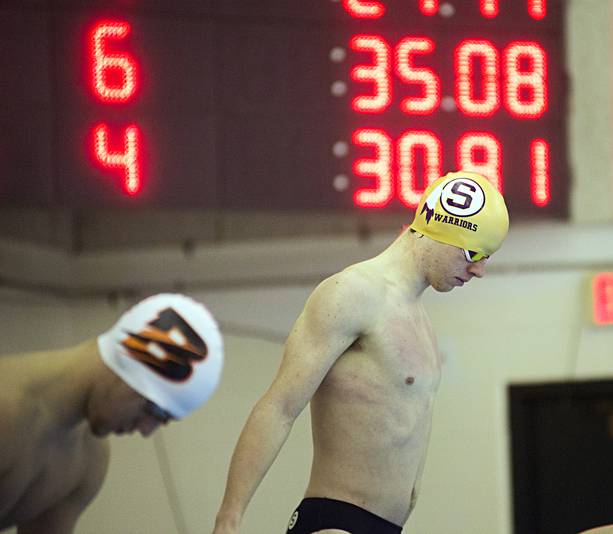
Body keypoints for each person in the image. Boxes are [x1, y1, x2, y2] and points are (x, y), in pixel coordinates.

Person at [213, 171, 509, 534]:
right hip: (337, 522)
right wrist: (230, 516)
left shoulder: (421, 322)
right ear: (441, 228)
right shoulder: (353, 293)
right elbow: (280, 407)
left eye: (487, 258)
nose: (479, 270)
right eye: (473, 253)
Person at [0, 293, 224, 533]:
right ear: (127, 368)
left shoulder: (88, 458)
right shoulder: (7, 411)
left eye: (162, 421)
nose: (146, 430)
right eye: (151, 410)